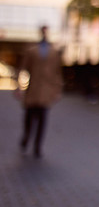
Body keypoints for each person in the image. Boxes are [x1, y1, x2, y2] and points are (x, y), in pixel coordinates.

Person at [16, 25, 63, 158]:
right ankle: (26, 137)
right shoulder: (31, 51)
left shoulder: (53, 53)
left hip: (46, 91)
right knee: (29, 118)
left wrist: (57, 90)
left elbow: (57, 73)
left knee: (42, 120)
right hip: (33, 89)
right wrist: (20, 87)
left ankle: (37, 146)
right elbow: (23, 70)